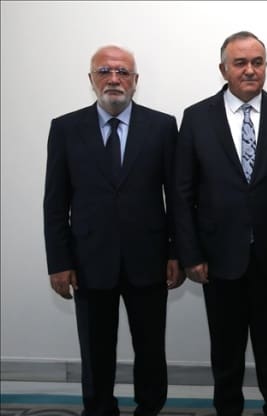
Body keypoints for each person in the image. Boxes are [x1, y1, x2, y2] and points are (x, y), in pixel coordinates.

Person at [173, 31, 267, 416]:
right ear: (223, 69)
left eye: (257, 62)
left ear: (266, 66)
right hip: (218, 257)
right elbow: (182, 194)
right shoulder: (197, 118)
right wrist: (190, 254)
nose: (250, 70)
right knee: (225, 348)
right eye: (240, 63)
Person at [43, 45, 184, 416]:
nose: (114, 78)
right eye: (104, 71)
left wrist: (176, 252)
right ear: (91, 79)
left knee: (150, 349)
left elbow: (176, 198)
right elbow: (55, 203)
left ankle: (149, 409)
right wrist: (59, 261)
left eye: (122, 72)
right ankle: (99, 409)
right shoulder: (65, 128)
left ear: (135, 80)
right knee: (95, 351)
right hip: (88, 262)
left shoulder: (162, 126)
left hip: (149, 260)